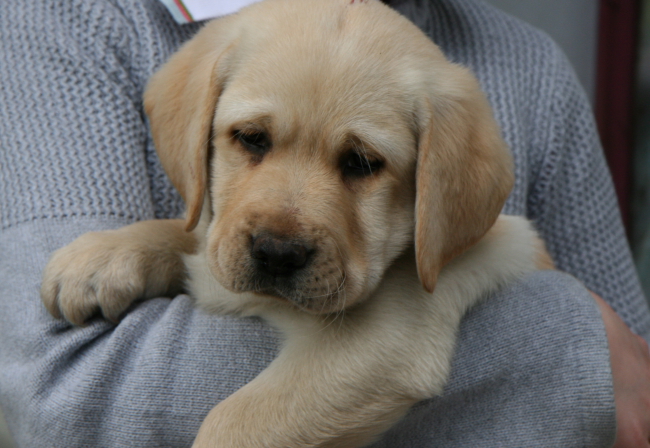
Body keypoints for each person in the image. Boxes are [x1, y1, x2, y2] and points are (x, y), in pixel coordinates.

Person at [0, 0, 649, 446]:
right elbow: (60, 396)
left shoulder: (511, 72)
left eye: (361, 163)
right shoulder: (71, 23)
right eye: (252, 140)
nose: (284, 235)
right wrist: (562, 354)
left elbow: (639, 400)